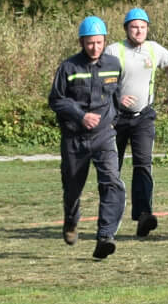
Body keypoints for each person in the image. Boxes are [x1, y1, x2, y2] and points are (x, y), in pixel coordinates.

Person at [48, 16, 126, 260]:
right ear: (81, 42)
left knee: (111, 181)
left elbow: (116, 96)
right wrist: (80, 116)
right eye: (90, 43)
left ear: (105, 41)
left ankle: (105, 237)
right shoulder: (68, 68)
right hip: (75, 139)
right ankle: (71, 221)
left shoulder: (114, 64)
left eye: (99, 42)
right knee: (72, 188)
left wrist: (113, 121)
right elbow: (56, 100)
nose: (95, 47)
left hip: (104, 136)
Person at [108, 7, 168, 238]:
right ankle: (109, 220)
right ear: (126, 29)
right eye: (134, 27)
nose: (139, 31)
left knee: (143, 165)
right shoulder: (114, 51)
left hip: (143, 117)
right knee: (111, 169)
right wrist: (117, 97)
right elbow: (100, 80)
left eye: (142, 27)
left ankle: (144, 216)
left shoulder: (154, 49)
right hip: (116, 118)